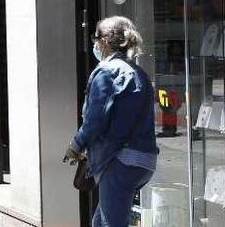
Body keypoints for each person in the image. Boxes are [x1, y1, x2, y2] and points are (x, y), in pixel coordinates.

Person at [63, 16, 159, 227]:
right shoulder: (139, 74)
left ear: (104, 41)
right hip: (144, 161)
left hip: (120, 160)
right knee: (101, 221)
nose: (94, 44)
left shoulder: (106, 73)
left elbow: (95, 120)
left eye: (95, 38)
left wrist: (76, 145)